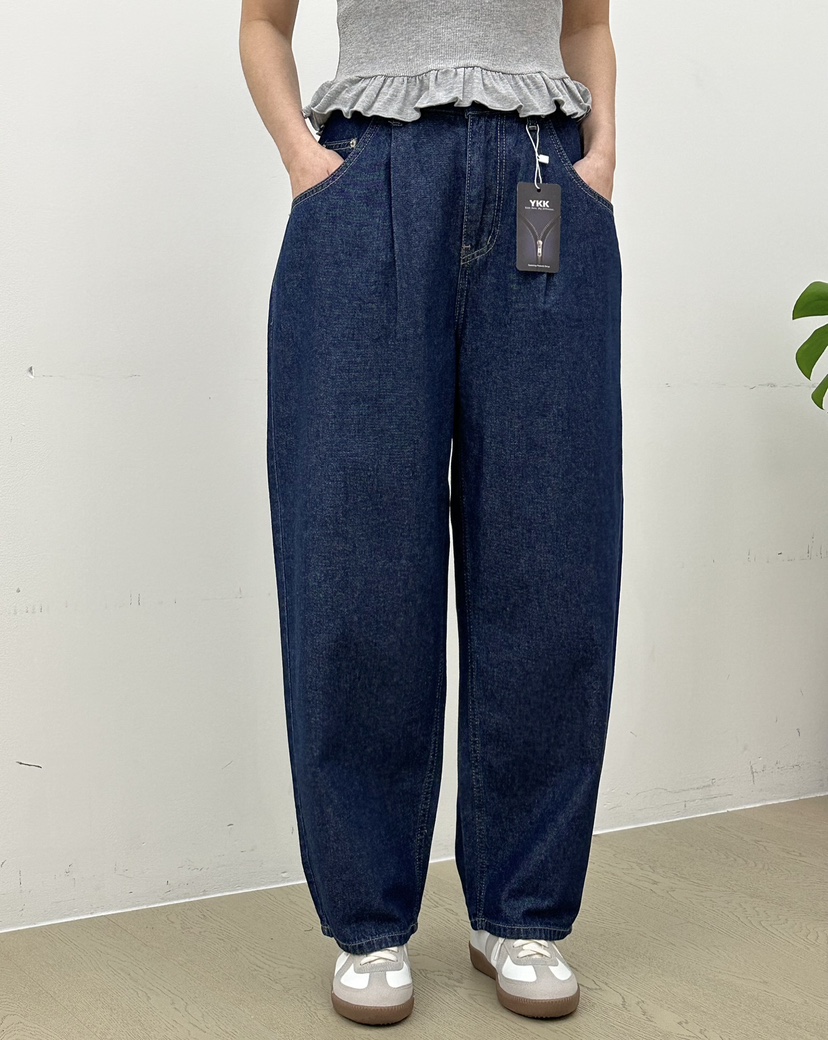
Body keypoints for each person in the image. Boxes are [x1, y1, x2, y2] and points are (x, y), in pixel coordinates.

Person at [239, 0, 622, 1025]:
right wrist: (305, 163)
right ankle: (369, 921)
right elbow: (263, 21)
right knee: (356, 560)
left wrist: (599, 163)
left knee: (552, 554)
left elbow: (586, 23)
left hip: (544, 177)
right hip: (368, 177)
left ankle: (522, 909)